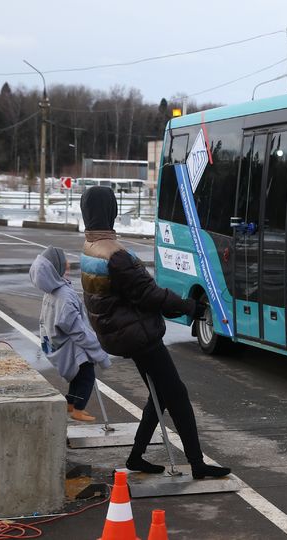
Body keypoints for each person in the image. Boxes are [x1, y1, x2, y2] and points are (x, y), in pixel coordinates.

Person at [79, 186, 231, 480]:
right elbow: (150, 295)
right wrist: (191, 307)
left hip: (116, 332)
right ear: (110, 210)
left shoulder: (90, 246)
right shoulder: (116, 255)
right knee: (177, 393)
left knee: (159, 393)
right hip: (137, 335)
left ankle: (136, 456)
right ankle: (197, 464)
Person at [30, 246, 111, 422]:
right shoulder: (64, 296)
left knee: (77, 375)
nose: (68, 264)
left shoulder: (51, 292)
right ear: (55, 269)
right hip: (73, 347)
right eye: (63, 262)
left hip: (61, 343)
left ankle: (71, 403)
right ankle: (78, 410)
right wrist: (98, 350)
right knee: (87, 376)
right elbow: (78, 330)